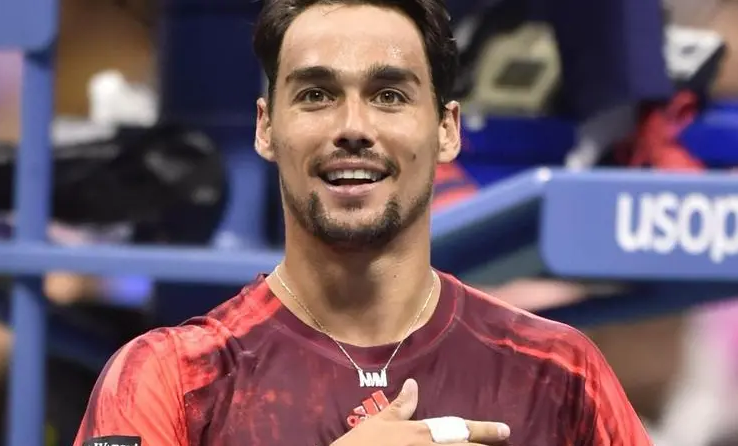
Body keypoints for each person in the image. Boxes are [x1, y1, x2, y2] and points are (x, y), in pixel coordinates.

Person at [73, 0, 652, 444]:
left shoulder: (560, 373)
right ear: (266, 128)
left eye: (390, 95)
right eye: (317, 95)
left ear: (447, 129)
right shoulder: (166, 378)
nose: (353, 126)